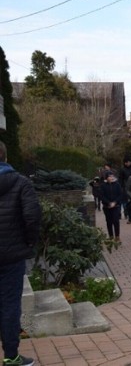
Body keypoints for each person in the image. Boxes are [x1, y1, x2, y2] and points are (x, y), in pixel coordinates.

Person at [0, 141, 41, 366]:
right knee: (9, 304)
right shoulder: (21, 182)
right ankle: (11, 356)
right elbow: (32, 217)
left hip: (12, 253)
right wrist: (28, 243)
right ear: (5, 157)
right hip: (12, 255)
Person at [100, 171, 122, 241]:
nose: (111, 177)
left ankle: (117, 236)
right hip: (107, 206)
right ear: (107, 177)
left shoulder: (117, 184)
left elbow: (120, 195)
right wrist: (109, 203)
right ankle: (111, 235)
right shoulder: (103, 185)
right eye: (109, 176)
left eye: (112, 176)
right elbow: (102, 196)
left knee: (116, 221)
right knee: (109, 221)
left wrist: (115, 202)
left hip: (116, 206)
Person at [118, 156, 131, 224]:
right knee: (128, 204)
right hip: (127, 188)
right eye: (126, 162)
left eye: (128, 162)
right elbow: (120, 179)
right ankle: (130, 218)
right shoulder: (123, 169)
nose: (127, 163)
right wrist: (121, 187)